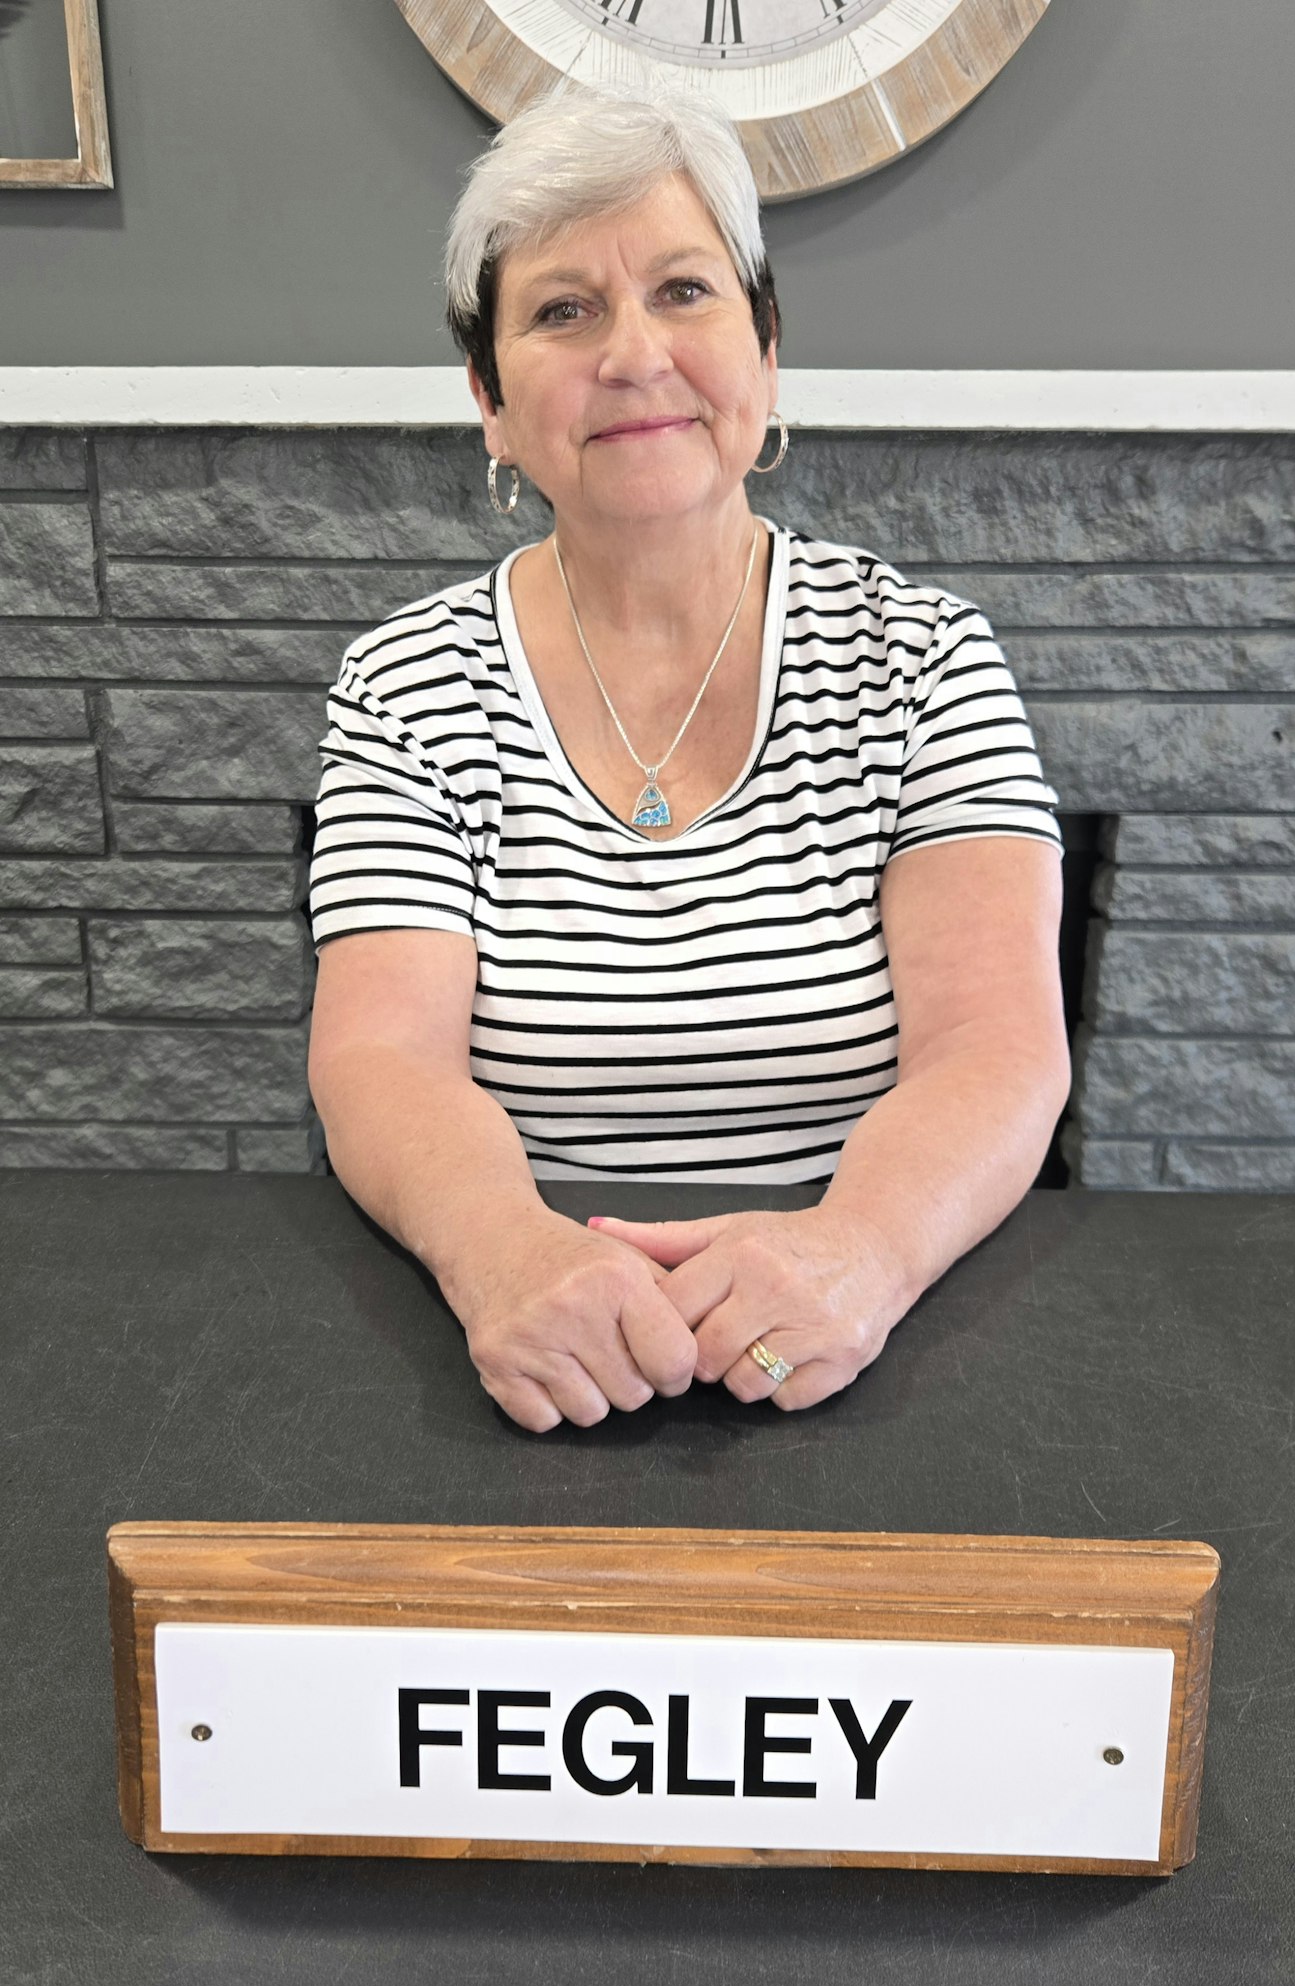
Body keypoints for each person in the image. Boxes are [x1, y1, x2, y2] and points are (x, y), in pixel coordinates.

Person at [306, 85, 1070, 1434]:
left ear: (767, 351)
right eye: (561, 311)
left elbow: (998, 1048)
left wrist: (861, 1256)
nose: (633, 354)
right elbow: (381, 1054)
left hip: (860, 1356)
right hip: (524, 1367)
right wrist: (506, 1256)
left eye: (683, 290)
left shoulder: (925, 657)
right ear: (489, 399)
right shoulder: (406, 685)